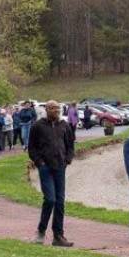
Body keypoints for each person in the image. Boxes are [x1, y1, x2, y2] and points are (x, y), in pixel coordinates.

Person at [29, 100, 75, 247]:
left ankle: (58, 236)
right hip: (45, 168)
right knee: (50, 199)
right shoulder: (38, 126)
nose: (56, 110)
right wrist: (39, 163)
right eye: (53, 108)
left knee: (60, 201)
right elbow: (32, 147)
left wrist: (68, 159)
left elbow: (70, 144)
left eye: (58, 108)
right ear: (47, 110)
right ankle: (41, 231)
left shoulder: (64, 125)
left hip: (60, 167)